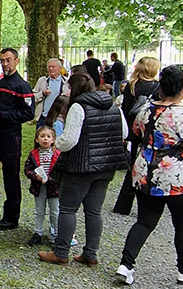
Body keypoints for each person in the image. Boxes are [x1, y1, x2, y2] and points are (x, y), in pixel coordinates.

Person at [115, 65, 183, 288]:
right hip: (175, 177)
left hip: (145, 172)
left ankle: (126, 265)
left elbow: (136, 133)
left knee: (145, 221)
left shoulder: (146, 110)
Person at [38, 66, 127, 267]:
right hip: (106, 165)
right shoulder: (113, 105)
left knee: (68, 208)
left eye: (69, 88)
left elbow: (70, 139)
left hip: (81, 165)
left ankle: (61, 252)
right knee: (94, 211)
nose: (67, 92)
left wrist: (56, 143)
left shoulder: (78, 107)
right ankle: (90, 253)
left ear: (75, 89)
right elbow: (124, 132)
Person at [0, 47, 35, 232]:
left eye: (8, 60)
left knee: (10, 177)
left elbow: (28, 113)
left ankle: (11, 217)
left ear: (17, 61)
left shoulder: (22, 86)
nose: (5, 64)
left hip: (11, 136)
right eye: (2, 60)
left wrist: (3, 115)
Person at [112, 56, 161, 215]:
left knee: (134, 165)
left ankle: (123, 204)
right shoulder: (156, 87)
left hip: (134, 129)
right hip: (150, 130)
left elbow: (126, 109)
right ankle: (148, 204)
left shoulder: (131, 86)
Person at [24, 124, 61, 248]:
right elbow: (27, 169)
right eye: (42, 136)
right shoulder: (33, 154)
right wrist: (35, 176)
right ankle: (37, 233)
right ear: (37, 139)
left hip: (54, 189)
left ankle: (56, 235)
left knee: (55, 212)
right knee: (39, 211)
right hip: (39, 188)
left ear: (53, 139)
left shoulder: (57, 154)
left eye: (48, 136)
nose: (45, 139)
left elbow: (61, 172)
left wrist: (51, 179)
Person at [32, 58, 69, 133]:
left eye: (53, 67)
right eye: (49, 67)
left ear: (60, 68)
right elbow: (33, 98)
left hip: (58, 119)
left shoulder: (66, 82)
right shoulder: (42, 81)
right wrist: (42, 94)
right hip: (43, 118)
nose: (51, 69)